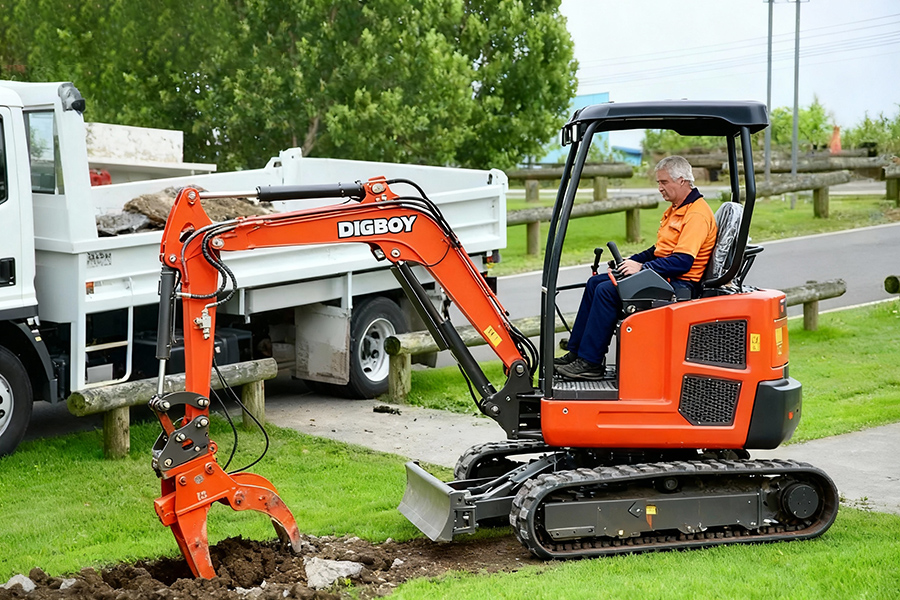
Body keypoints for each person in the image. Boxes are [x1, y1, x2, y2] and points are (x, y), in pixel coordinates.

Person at [555, 156, 718, 380]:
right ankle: (577, 352)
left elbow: (683, 261)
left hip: (678, 285)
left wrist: (642, 268)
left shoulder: (696, 215)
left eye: (664, 182)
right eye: (658, 183)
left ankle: (591, 363)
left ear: (682, 181)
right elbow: (659, 250)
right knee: (595, 283)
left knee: (606, 291)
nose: (660, 188)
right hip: (665, 276)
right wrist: (630, 262)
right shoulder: (677, 209)